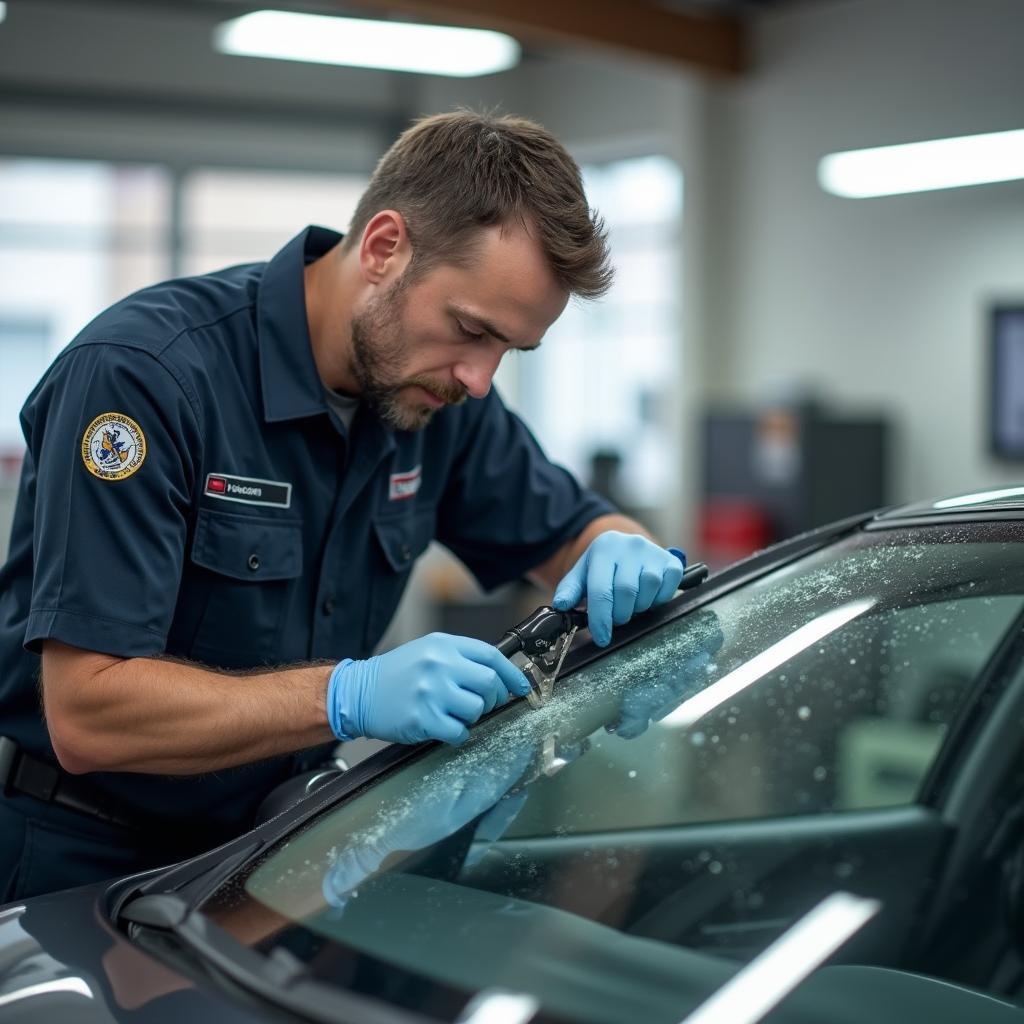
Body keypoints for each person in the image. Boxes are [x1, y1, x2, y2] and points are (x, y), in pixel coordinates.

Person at [0, 110, 686, 900]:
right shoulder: (145, 378)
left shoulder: (434, 397)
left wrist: (622, 549)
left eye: (509, 350)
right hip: (80, 860)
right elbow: (89, 713)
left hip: (280, 850)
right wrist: (346, 695)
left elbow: (576, 530)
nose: (479, 379)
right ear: (385, 247)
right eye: (469, 329)